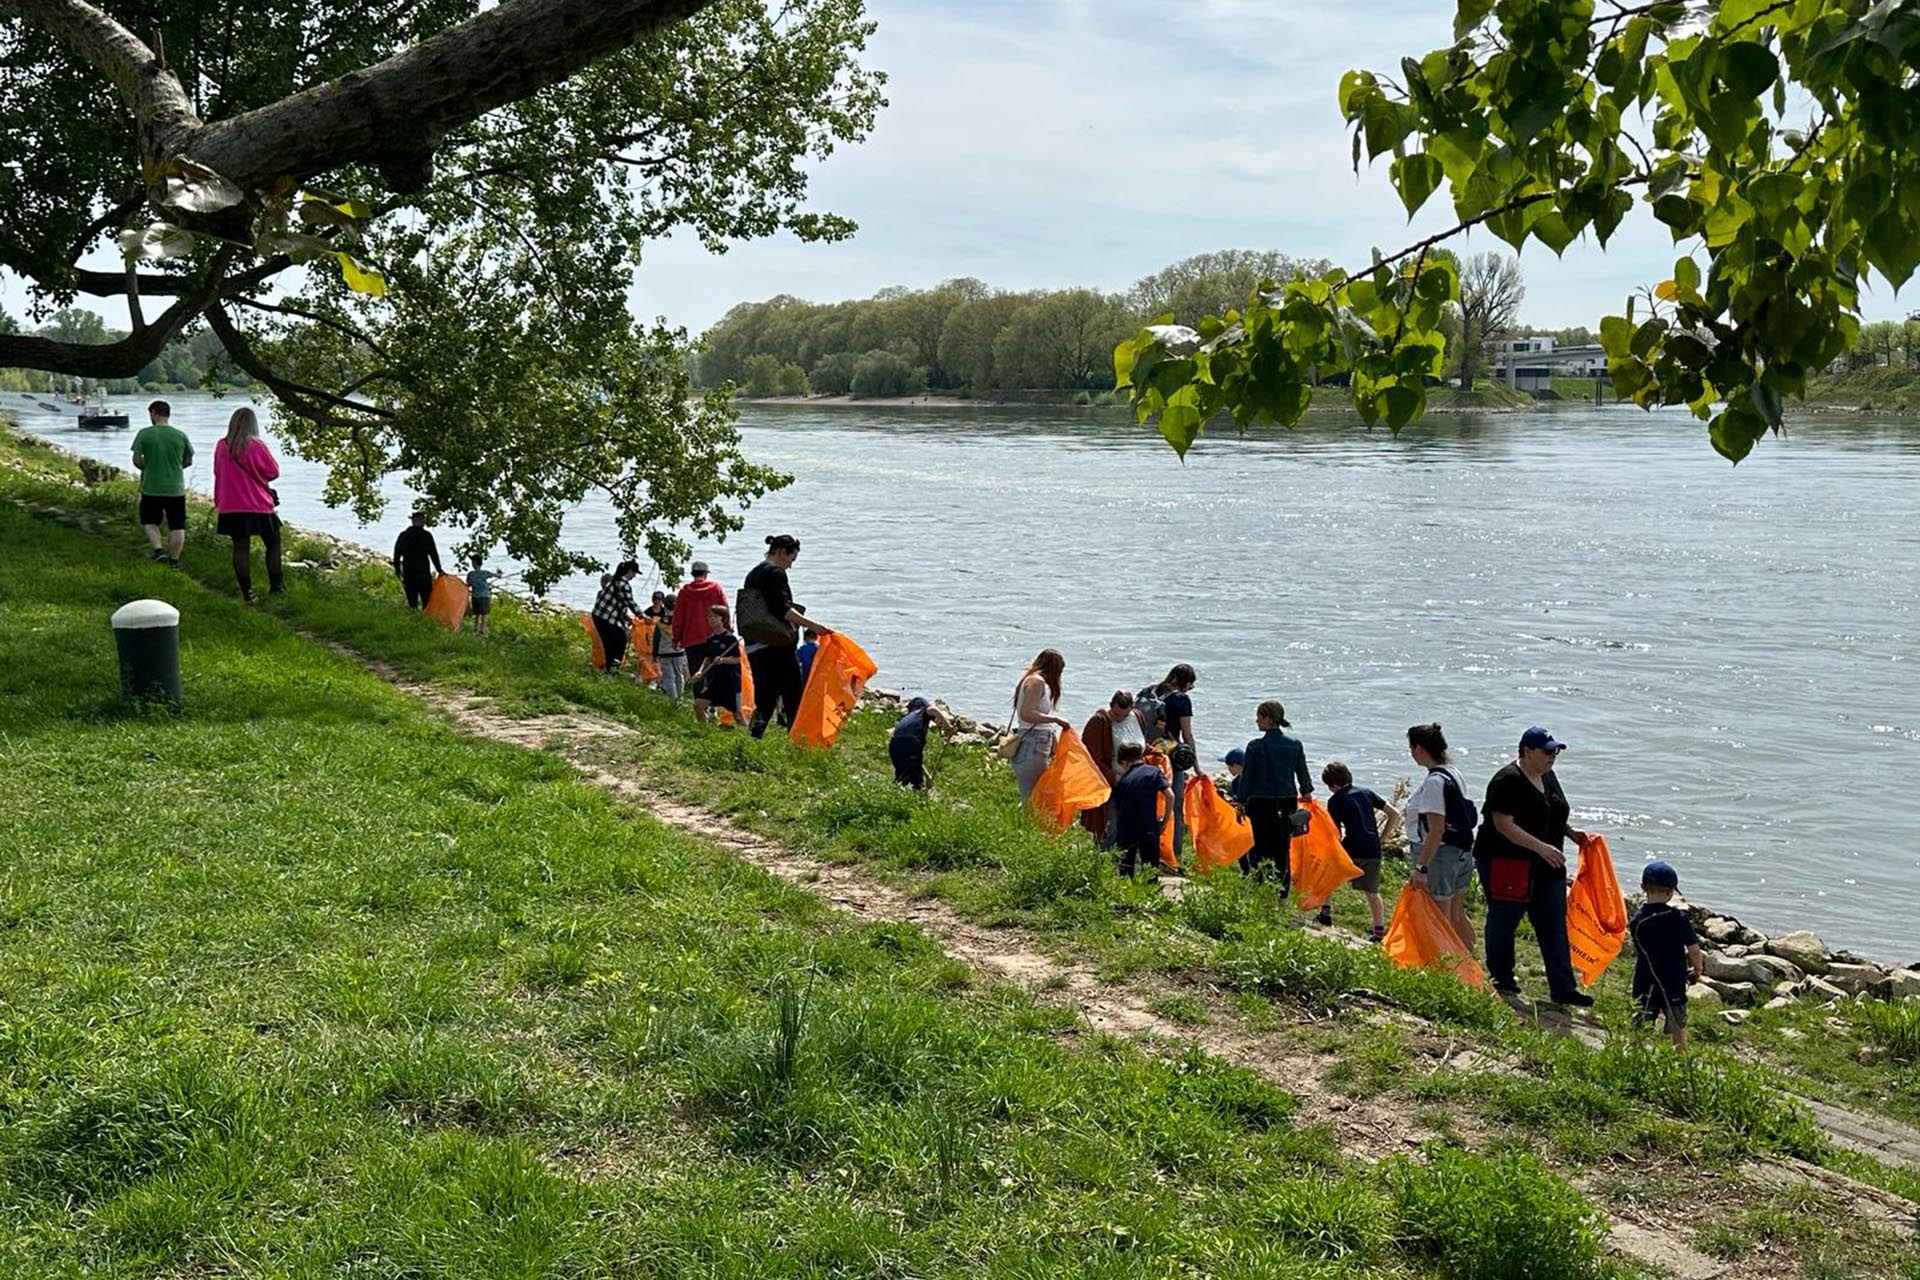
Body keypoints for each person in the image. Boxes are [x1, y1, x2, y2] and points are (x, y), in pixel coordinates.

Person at [1477, 726, 1593, 1006]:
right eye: (1547, 751)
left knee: (1553, 925)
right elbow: (1503, 824)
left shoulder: (1548, 776)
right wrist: (1540, 848)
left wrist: (1571, 833)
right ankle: (1502, 978)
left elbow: (1551, 812)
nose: (1553, 756)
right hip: (1508, 863)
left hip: (1548, 866)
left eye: (1556, 751)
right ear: (1527, 752)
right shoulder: (1507, 780)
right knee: (1505, 920)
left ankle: (1563, 988)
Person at [740, 534, 832, 739]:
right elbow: (782, 608)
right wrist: (813, 625)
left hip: (755, 642)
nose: (790, 566)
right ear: (781, 552)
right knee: (793, 694)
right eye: (791, 559)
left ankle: (753, 737)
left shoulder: (754, 573)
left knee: (765, 697)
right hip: (776, 644)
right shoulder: (776, 573)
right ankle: (797, 740)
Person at [1403, 723, 1480, 957]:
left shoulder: (1435, 782)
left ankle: (1442, 969)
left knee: (1439, 917)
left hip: (1440, 857)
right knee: (1457, 914)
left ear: (1419, 749)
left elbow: (1436, 830)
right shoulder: (1452, 772)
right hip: (1460, 852)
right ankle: (1469, 964)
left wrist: (1421, 868)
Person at [1235, 700, 1313, 888]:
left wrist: (1241, 802)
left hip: (1260, 802)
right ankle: (1282, 894)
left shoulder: (1255, 746)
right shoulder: (1295, 744)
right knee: (1283, 848)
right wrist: (1306, 792)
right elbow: (1302, 773)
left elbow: (1247, 778)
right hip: (1286, 801)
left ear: (1268, 719)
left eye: (1259, 717)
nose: (1256, 721)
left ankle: (1259, 888)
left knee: (1261, 847)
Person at [1629, 860, 1704, 1049]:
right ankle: (1680, 1055)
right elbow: (1693, 948)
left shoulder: (1637, 920)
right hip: (1674, 981)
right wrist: (1698, 967)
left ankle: (1635, 1055)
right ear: (1671, 892)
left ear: (1643, 888)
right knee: (1678, 1027)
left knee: (1640, 1025)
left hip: (1645, 980)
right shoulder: (1679, 918)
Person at [210, 407, 282, 602]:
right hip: (257, 504)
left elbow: (218, 472)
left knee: (240, 547)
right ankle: (276, 587)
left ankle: (247, 592)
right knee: (273, 543)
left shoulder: (221, 446)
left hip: (231, 505)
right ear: (253, 424)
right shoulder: (256, 446)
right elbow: (273, 472)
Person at [1321, 760, 1396, 940]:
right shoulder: (1366, 793)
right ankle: (1379, 930)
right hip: (1372, 847)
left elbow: (1335, 832)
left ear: (1333, 784)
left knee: (1328, 875)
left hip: (1352, 846)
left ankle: (1325, 913)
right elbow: (1394, 814)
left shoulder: (1335, 800)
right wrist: (1382, 839)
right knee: (1372, 891)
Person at [1079, 690, 1150, 843]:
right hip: (1110, 782)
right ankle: (1102, 858)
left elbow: (1142, 746)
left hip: (1135, 782)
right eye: (1116, 715)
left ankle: (1122, 861)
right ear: (1111, 706)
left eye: (1124, 716)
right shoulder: (1099, 721)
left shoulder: (1137, 717)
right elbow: (1091, 757)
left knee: (1130, 825)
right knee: (1110, 825)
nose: (1120, 719)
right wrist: (1114, 778)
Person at [130, 399, 192, 568]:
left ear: (153, 413)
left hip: (151, 487)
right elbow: (188, 459)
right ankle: (174, 561)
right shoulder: (180, 435)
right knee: (177, 525)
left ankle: (158, 550)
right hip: (175, 488)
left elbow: (136, 459)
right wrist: (178, 467)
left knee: (150, 521)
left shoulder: (144, 434)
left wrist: (147, 467)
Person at [1009, 649, 1072, 804]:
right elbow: (1027, 713)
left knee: (1035, 795)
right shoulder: (1036, 682)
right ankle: (1029, 826)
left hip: (1036, 743)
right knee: (1034, 797)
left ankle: (1029, 824)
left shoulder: (1033, 681)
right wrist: (1055, 719)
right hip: (1033, 743)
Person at [1110, 742, 1172, 876]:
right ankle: (1150, 894)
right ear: (1141, 757)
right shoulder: (1154, 772)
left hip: (1126, 830)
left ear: (1124, 762)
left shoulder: (1123, 781)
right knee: (1150, 872)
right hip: (1149, 827)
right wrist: (1164, 821)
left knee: (1125, 872)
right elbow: (1170, 796)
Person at [691, 604, 743, 726]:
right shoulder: (710, 639)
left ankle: (750, 741)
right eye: (709, 616)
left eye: (715, 616)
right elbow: (708, 658)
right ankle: (704, 730)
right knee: (698, 705)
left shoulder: (730, 639)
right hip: (715, 681)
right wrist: (700, 672)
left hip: (731, 681)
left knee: (738, 714)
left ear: (723, 619)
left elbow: (737, 659)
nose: (711, 619)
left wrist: (723, 660)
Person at [889, 696, 954, 789]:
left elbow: (915, 760)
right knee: (916, 781)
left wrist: (927, 777)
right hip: (911, 742)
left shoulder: (907, 718)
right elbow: (933, 709)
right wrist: (948, 727)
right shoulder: (922, 712)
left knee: (903, 776)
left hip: (894, 745)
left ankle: (896, 795)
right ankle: (919, 798)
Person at [591, 560, 642, 674]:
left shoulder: (615, 580)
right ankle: (613, 668)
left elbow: (618, 603)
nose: (634, 576)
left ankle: (609, 669)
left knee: (609, 643)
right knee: (620, 640)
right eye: (634, 573)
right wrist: (643, 616)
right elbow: (630, 603)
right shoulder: (623, 584)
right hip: (605, 618)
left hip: (598, 616)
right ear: (629, 571)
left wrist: (627, 618)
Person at [671, 559, 727, 657]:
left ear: (693, 574)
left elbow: (678, 619)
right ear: (705, 574)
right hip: (715, 637)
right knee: (714, 670)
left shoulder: (684, 592)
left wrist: (676, 639)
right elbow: (725, 612)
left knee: (696, 671)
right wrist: (727, 631)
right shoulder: (715, 588)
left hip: (691, 640)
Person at [392, 512, 443, 610]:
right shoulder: (426, 535)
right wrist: (439, 570)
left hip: (409, 570)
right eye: (422, 520)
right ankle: (424, 618)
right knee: (427, 599)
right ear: (420, 521)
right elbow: (433, 554)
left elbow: (397, 553)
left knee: (412, 599)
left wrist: (397, 569)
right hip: (422, 572)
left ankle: (414, 616)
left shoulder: (404, 535)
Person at [654, 592, 689, 699]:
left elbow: (656, 638)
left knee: (669, 677)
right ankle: (680, 698)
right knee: (679, 675)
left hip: (665, 652)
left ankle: (673, 700)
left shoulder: (660, 621)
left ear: (664, 605)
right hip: (679, 651)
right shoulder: (682, 621)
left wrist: (654, 653)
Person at [465, 554, 498, 634]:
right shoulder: (484, 573)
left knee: (476, 614)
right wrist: (499, 573)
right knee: (484, 614)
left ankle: (476, 629)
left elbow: (467, 585)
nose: (472, 563)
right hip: (484, 596)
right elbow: (496, 575)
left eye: (472, 561)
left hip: (475, 596)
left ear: (475, 563)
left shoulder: (470, 574)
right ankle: (482, 630)